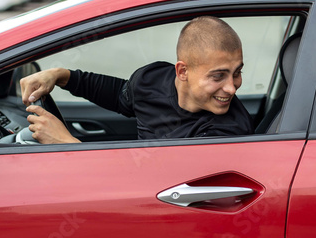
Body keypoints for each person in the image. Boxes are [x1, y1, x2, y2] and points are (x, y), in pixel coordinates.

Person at [21, 16, 254, 144]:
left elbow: (156, 185)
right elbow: (120, 94)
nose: (232, 88)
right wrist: (60, 75)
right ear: (182, 72)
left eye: (236, 72)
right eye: (219, 76)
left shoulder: (226, 133)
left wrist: (66, 144)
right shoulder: (151, 79)